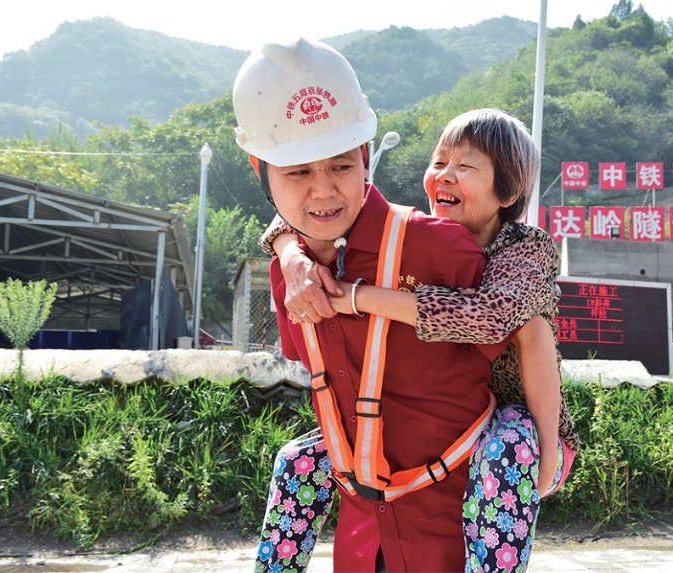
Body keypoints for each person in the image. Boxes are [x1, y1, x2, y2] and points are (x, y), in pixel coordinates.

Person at [260, 108, 580, 572]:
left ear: (507, 191)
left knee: (503, 451)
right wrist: (290, 253)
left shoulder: (523, 248)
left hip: (522, 419)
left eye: (465, 167)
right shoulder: (422, 238)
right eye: (439, 162)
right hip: (449, 413)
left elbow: (494, 320)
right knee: (297, 460)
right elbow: (300, 220)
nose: (444, 176)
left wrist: (356, 296)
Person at [235, 39, 507, 572]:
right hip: (360, 541)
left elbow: (522, 334)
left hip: (453, 541)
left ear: (364, 155)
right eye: (296, 173)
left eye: (339, 166)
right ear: (259, 169)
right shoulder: (286, 274)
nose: (322, 192)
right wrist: (287, 248)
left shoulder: (441, 249)